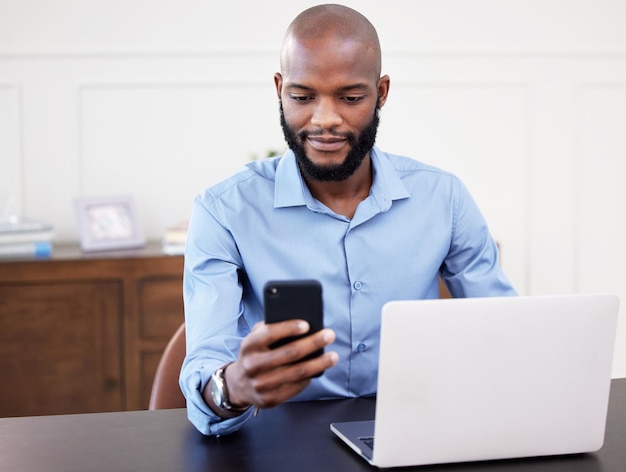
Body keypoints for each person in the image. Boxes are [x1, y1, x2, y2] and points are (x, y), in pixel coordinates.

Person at [180, 3, 516, 436]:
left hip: (413, 435)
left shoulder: (443, 198)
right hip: (278, 444)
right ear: (280, 89)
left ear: (382, 92)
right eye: (302, 97)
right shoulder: (223, 211)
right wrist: (233, 386)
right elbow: (205, 369)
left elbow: (505, 330)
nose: (325, 120)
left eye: (351, 97)